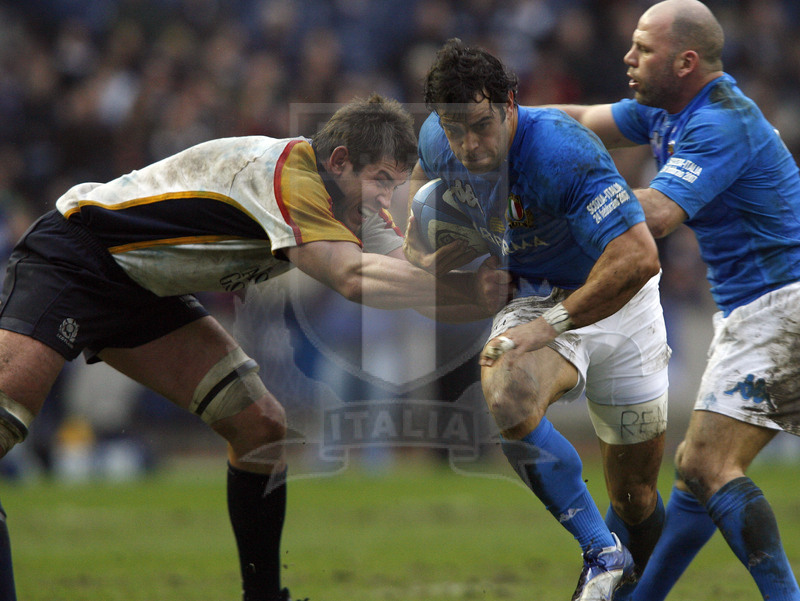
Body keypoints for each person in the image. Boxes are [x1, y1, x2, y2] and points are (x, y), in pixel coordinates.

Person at [0, 94, 502, 601]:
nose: (384, 199)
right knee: (4, 422)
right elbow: (352, 278)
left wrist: (497, 285)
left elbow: (407, 273)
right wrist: (465, 287)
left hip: (145, 291)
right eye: (381, 182)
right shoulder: (292, 178)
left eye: (393, 185)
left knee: (260, 426)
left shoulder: (349, 200)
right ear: (340, 160)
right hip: (75, 256)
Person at [404, 39, 671, 601]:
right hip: (534, 296)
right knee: (505, 386)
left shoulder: (562, 151)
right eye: (456, 132)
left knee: (637, 496)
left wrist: (549, 326)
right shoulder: (438, 142)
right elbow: (417, 223)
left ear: (508, 104)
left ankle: (626, 585)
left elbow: (638, 256)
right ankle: (603, 553)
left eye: (481, 126)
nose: (469, 146)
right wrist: (436, 263)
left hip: (620, 299)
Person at [551, 1, 800, 599]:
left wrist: (555, 205)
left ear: (686, 61)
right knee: (696, 470)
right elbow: (583, 117)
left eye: (643, 48)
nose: (628, 58)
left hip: (782, 310)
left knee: (707, 466)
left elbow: (657, 214)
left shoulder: (720, 122)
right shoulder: (665, 112)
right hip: (762, 310)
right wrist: (505, 126)